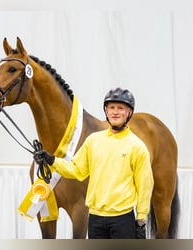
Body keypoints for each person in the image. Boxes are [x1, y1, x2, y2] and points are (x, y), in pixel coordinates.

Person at [34, 87, 154, 239]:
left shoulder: (137, 147)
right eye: (111, 108)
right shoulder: (93, 140)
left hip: (122, 219)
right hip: (95, 219)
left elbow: (145, 185)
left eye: (120, 108)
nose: (115, 112)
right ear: (106, 111)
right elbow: (77, 170)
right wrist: (52, 160)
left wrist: (141, 219)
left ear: (129, 113)